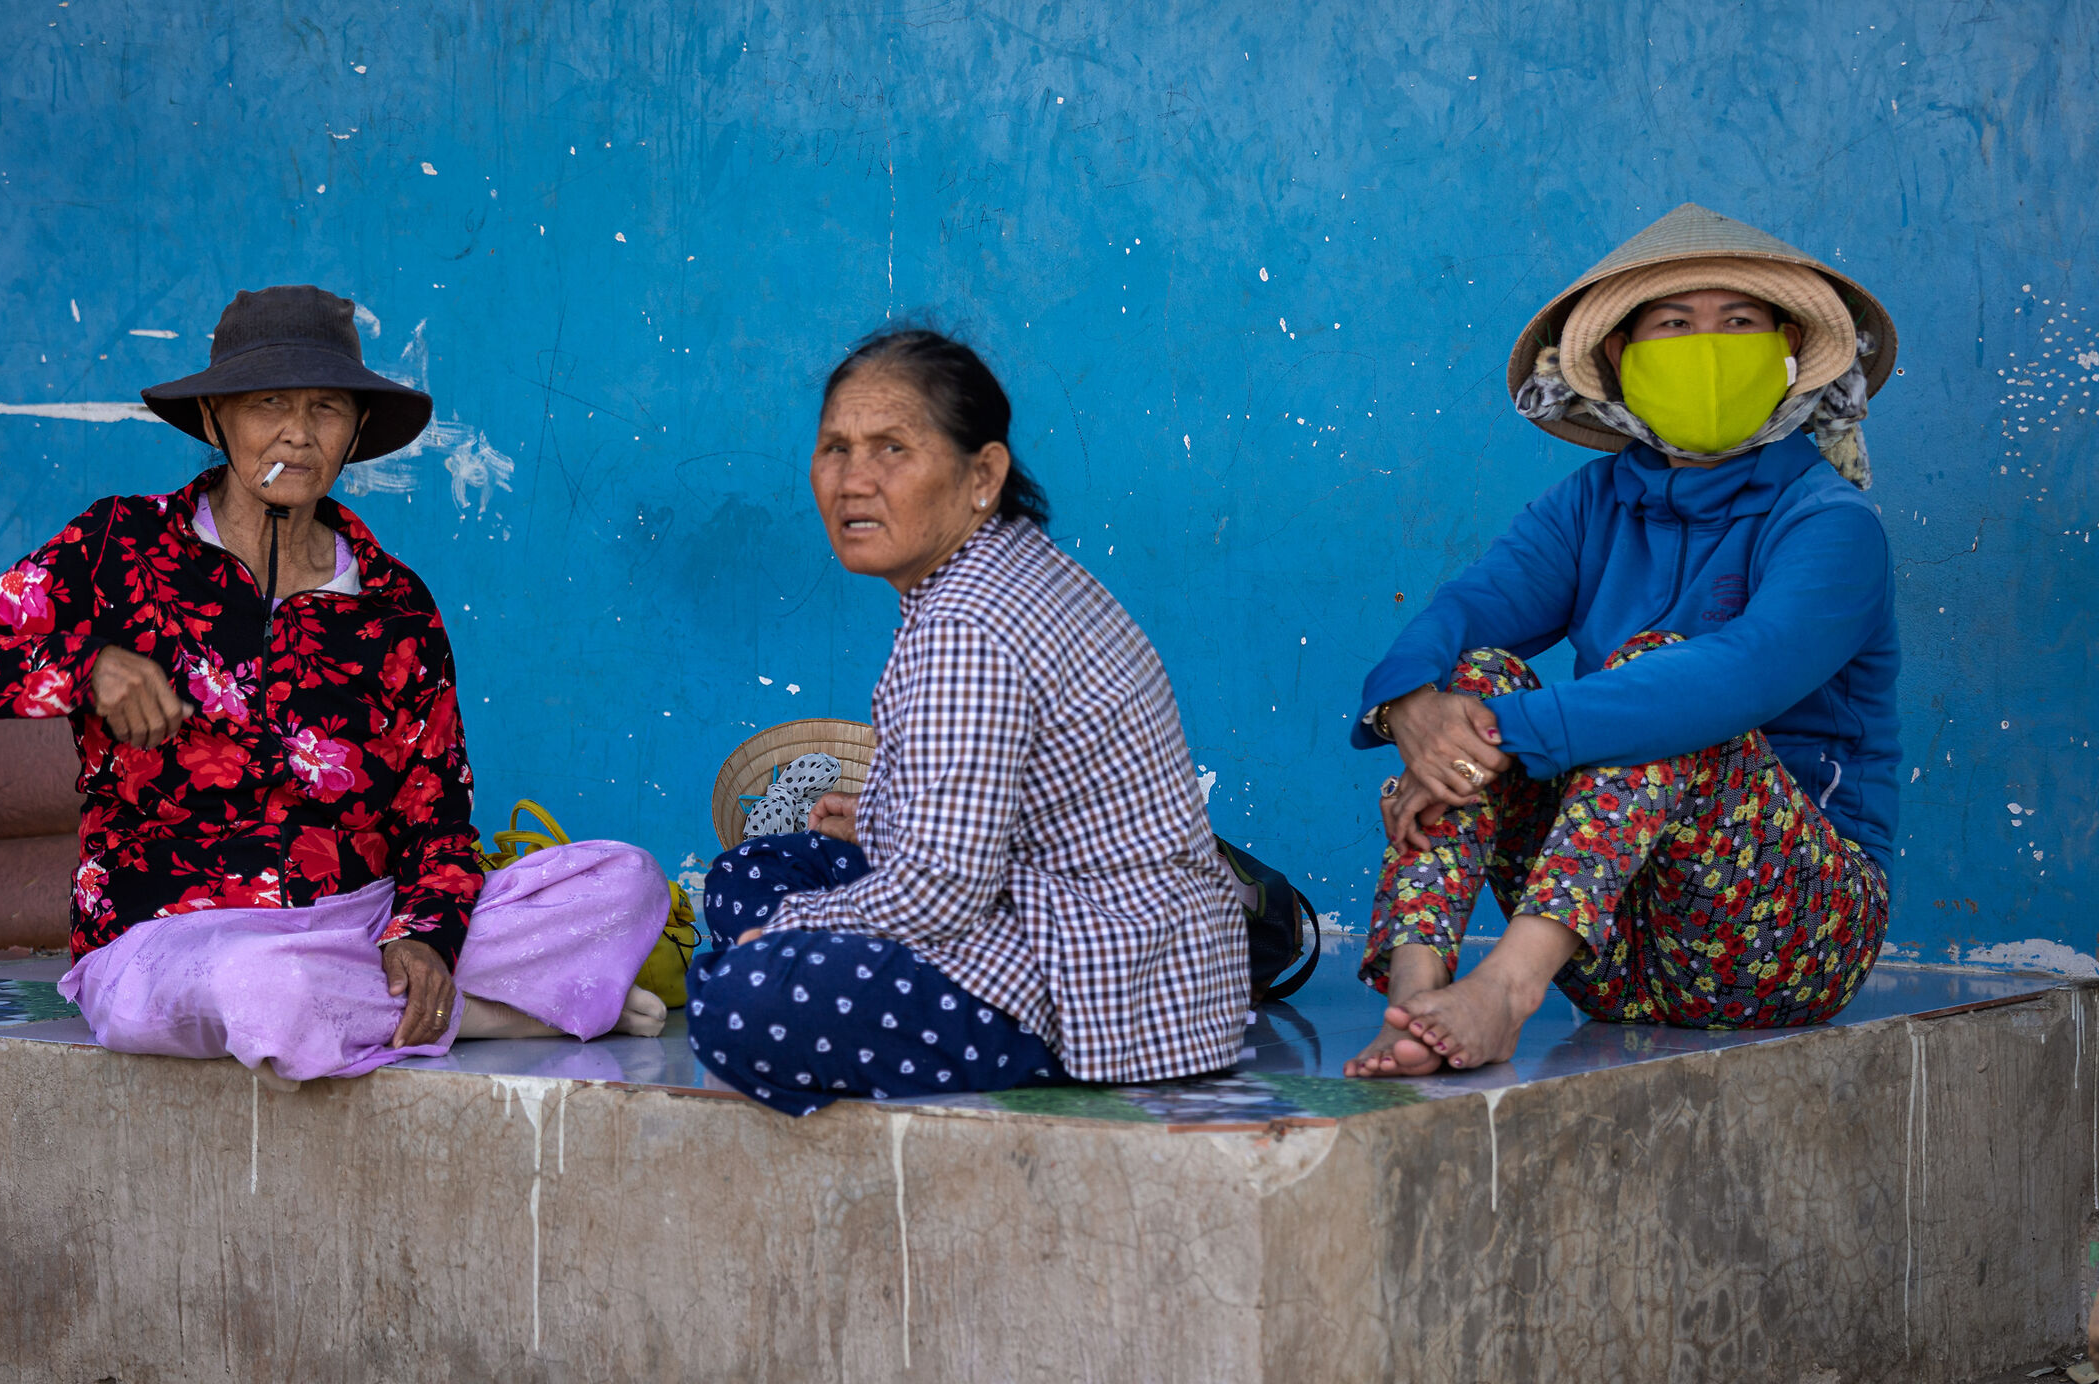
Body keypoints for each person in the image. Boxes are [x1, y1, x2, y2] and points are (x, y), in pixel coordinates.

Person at [0, 285, 667, 1079]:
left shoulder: (395, 606)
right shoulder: (119, 548)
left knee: (625, 883)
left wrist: (426, 940)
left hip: (358, 927)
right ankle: (485, 1015)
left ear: (357, 430)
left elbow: (438, 820)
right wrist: (84, 668)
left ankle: (388, 1004)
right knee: (259, 985)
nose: (298, 434)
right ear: (213, 419)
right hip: (173, 939)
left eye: (326, 409)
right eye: (269, 403)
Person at [1344, 204, 1900, 1077]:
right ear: (1619, 361)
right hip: (1613, 943)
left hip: (1791, 941)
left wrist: (1492, 733)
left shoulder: (1830, 522)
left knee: (1657, 682)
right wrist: (1416, 710)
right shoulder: (1595, 502)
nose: (1707, 347)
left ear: (1787, 348)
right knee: (1472, 674)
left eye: (1739, 323)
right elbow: (1471, 609)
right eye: (1675, 326)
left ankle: (1507, 990)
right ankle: (1417, 998)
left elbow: (1732, 679)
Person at [686, 329, 1248, 1115]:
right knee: (747, 875)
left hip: (1091, 984)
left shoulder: (969, 625)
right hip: (1092, 935)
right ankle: (789, 969)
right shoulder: (997, 571)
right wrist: (882, 816)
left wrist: (785, 932)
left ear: (983, 474)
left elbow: (944, 889)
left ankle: (777, 989)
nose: (854, 480)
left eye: (891, 449)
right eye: (835, 449)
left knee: (737, 999)